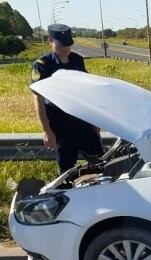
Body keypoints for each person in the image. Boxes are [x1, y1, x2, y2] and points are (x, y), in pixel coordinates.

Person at [31, 24, 103, 172]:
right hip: (60, 126)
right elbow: (38, 100)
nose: (66, 49)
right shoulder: (42, 66)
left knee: (101, 164)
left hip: (82, 122)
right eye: (62, 45)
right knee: (67, 171)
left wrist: (95, 121)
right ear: (50, 41)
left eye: (69, 45)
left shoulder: (77, 60)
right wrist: (46, 131)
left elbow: (87, 91)